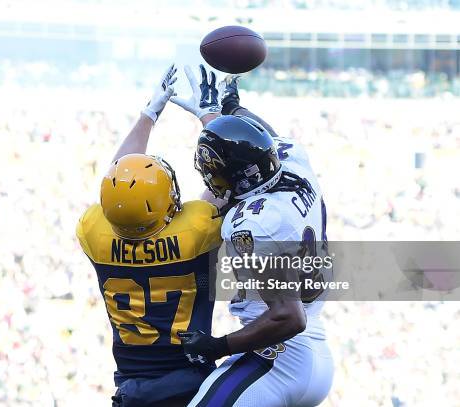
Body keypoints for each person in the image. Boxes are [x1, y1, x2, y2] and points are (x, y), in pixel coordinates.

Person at [170, 66, 334, 406]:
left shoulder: (253, 224)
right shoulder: (293, 163)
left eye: (214, 174)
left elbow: (288, 316)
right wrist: (226, 111)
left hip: (276, 357)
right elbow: (261, 138)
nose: (210, 181)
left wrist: (219, 345)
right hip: (316, 347)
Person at [75, 65, 223, 407]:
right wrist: (209, 115)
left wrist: (148, 114)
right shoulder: (194, 232)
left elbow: (117, 183)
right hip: (189, 384)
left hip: (131, 388)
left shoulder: (95, 235)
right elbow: (229, 176)